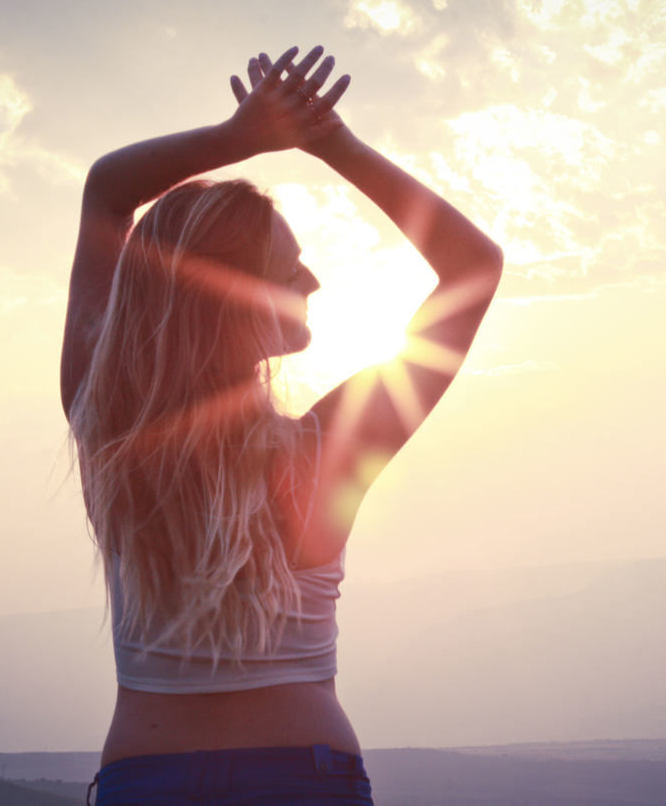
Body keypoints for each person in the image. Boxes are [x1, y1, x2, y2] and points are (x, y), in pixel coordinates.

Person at [64, 45, 503, 805]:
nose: (315, 279)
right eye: (287, 266)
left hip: (148, 779)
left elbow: (107, 193)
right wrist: (332, 142)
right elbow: (472, 269)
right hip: (299, 775)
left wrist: (243, 137)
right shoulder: (327, 447)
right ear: (233, 297)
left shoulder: (105, 426)